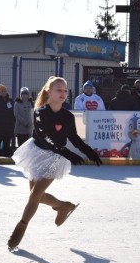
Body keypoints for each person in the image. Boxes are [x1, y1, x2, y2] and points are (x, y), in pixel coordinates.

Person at [8, 76, 102, 252]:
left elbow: (73, 138)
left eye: (65, 91)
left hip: (55, 158)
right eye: (59, 90)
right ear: (48, 92)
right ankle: (63, 206)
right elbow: (46, 137)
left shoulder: (67, 116)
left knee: (35, 195)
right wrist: (67, 152)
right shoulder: (39, 113)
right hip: (36, 153)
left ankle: (20, 229)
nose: (63, 93)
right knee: (37, 196)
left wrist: (89, 152)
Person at [0, 84, 16, 157]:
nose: (3, 92)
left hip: (8, 127)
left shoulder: (11, 101)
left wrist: (13, 125)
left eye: (4, 91)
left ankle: (6, 158)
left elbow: (13, 113)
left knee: (7, 145)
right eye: (1, 91)